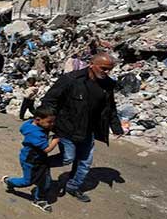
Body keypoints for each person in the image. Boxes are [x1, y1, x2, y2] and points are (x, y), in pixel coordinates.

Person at [40, 52, 123, 203]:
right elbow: (49, 101)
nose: (106, 72)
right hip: (66, 128)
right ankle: (41, 164)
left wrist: (116, 127)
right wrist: (45, 124)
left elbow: (110, 107)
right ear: (91, 64)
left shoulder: (107, 84)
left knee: (84, 162)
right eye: (103, 68)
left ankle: (73, 186)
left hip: (88, 130)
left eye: (109, 69)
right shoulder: (71, 79)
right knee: (68, 158)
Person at [1, 106, 60, 212]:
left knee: (45, 181)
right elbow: (47, 149)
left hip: (40, 159)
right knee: (27, 181)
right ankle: (9, 181)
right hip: (31, 161)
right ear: (37, 120)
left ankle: (39, 199)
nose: (52, 124)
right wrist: (56, 139)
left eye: (53, 121)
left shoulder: (30, 124)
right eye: (49, 122)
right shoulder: (35, 134)